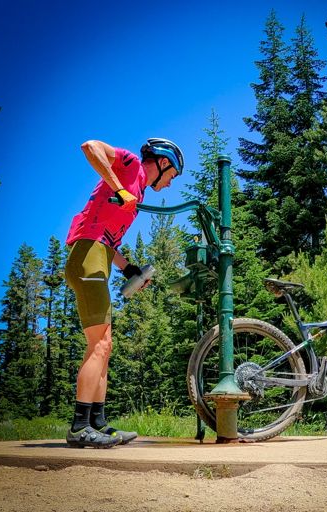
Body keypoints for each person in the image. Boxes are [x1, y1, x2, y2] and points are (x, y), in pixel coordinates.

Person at [64, 138, 184, 448]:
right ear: (163, 163)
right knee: (99, 344)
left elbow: (109, 240)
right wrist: (119, 188)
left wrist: (130, 269)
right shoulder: (130, 166)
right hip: (87, 257)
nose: (170, 184)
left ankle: (98, 423)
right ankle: (79, 427)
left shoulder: (138, 190)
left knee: (105, 345)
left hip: (100, 256)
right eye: (172, 176)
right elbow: (90, 146)